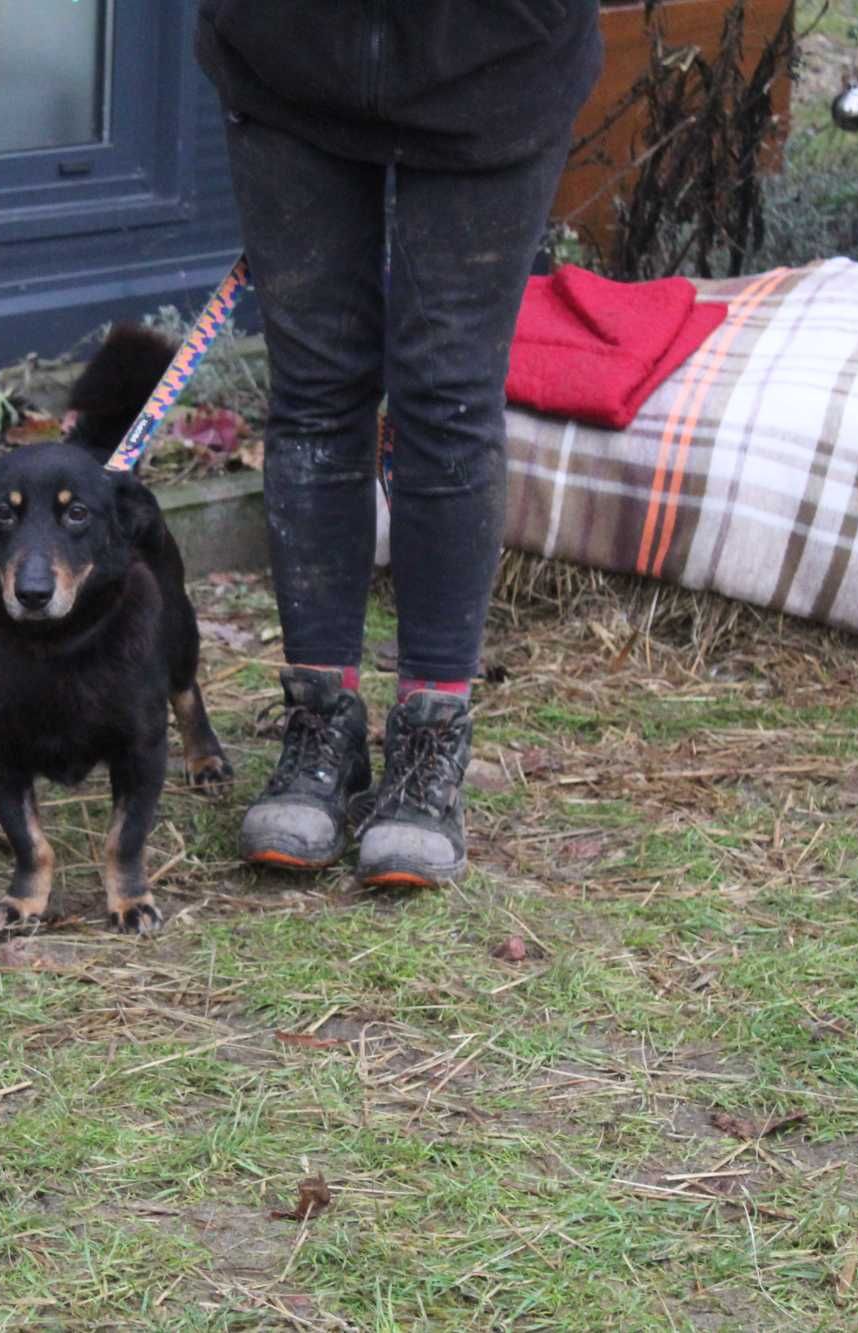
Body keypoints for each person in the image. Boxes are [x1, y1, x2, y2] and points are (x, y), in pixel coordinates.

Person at [194, 2, 602, 886]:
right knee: (313, 386)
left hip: (495, 56)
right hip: (288, 50)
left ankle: (430, 742)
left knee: (448, 395)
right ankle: (321, 728)